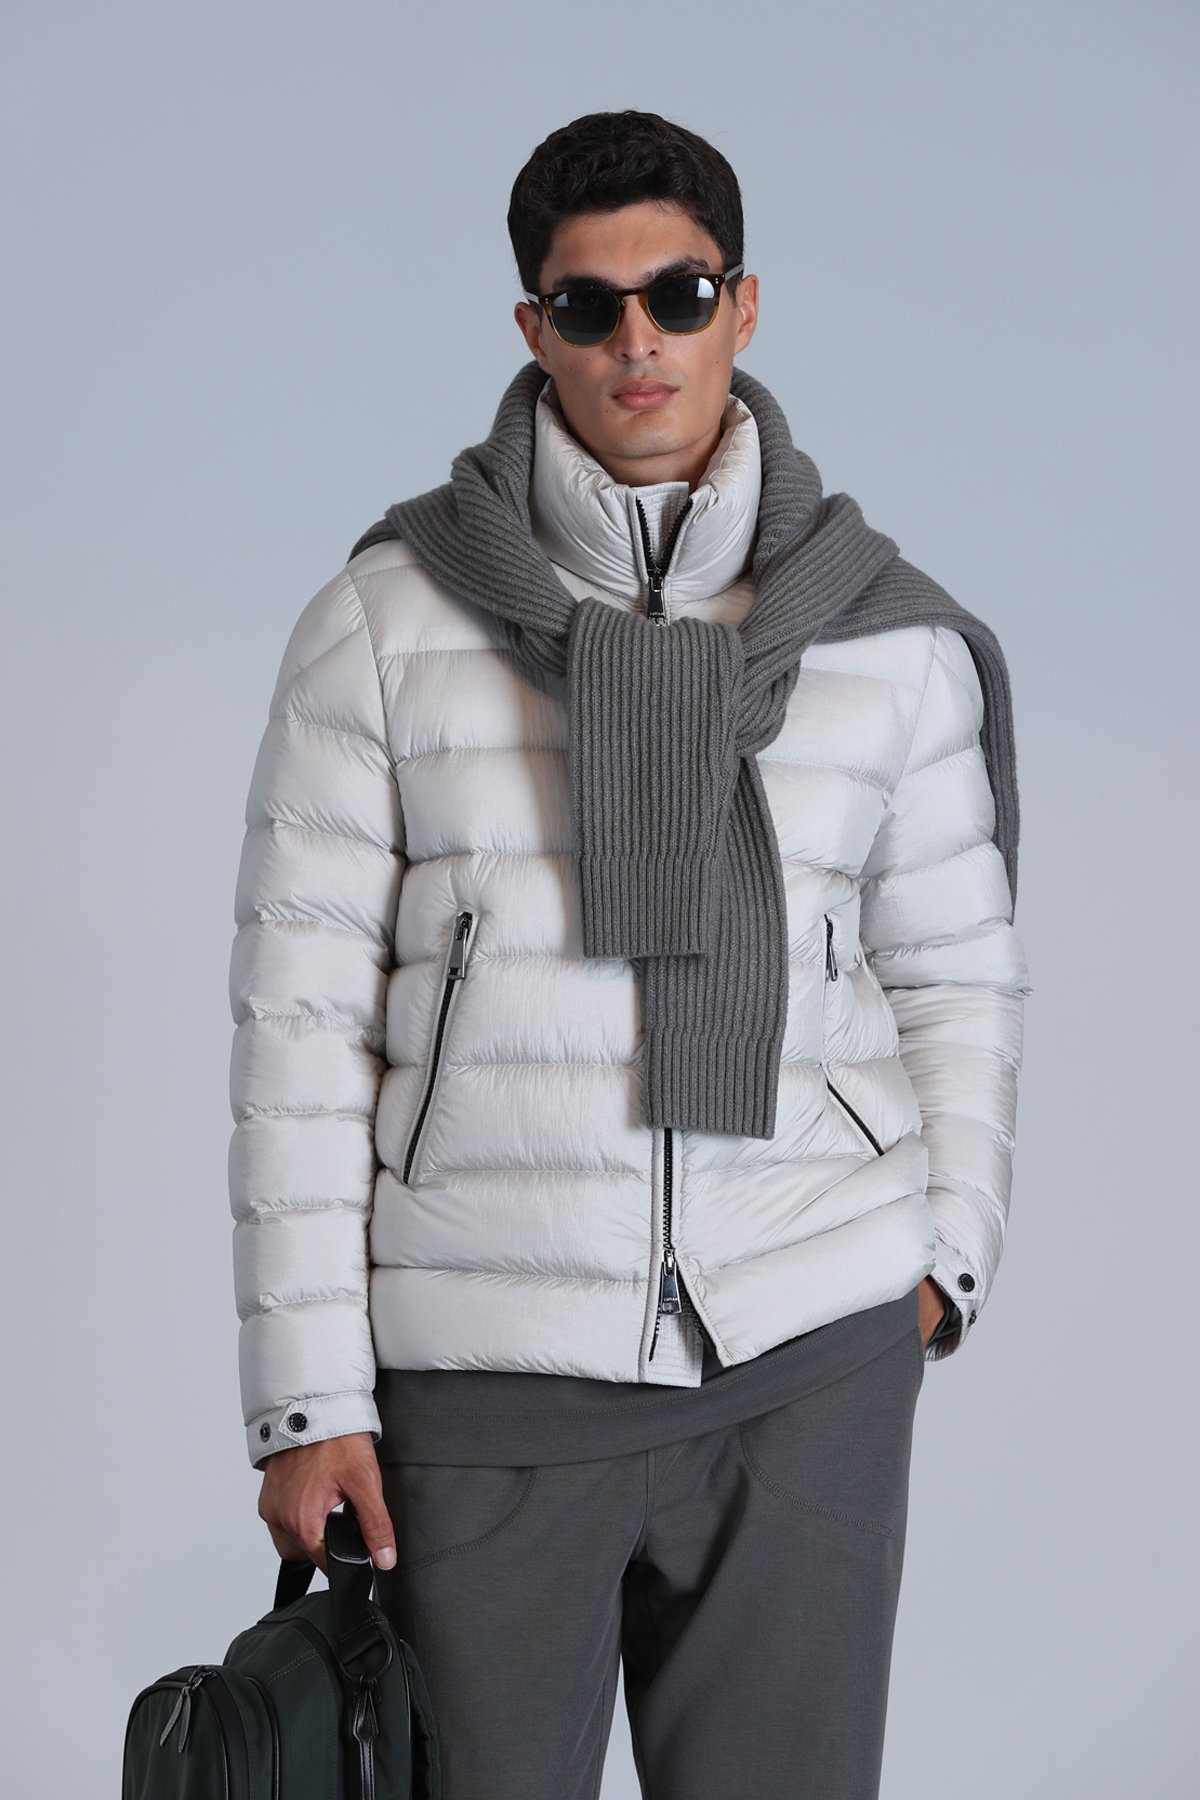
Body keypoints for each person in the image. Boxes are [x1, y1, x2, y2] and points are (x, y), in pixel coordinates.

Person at [228, 109, 1029, 1800]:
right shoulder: (383, 626)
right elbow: (298, 1030)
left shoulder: (883, 637)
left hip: (808, 1352)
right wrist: (308, 1402)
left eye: (680, 293)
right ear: (535, 328)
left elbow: (955, 974)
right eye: (590, 308)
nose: (638, 341)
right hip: (487, 1380)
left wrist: (943, 1259)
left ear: (745, 304)